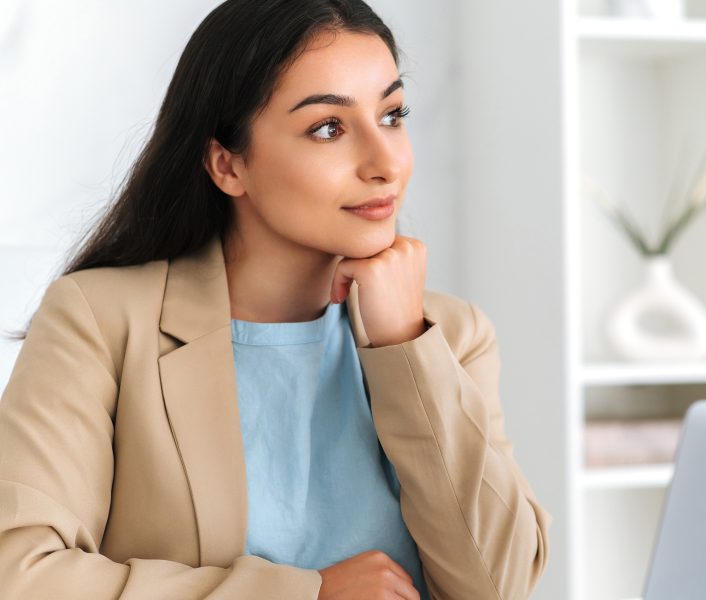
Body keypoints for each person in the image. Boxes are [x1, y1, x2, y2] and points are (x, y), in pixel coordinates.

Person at [0, 1, 551, 598]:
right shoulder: (102, 321)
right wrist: (305, 594)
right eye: (328, 128)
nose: (386, 162)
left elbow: (498, 585)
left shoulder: (450, 335)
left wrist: (403, 346)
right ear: (228, 165)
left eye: (393, 115)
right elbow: (21, 575)